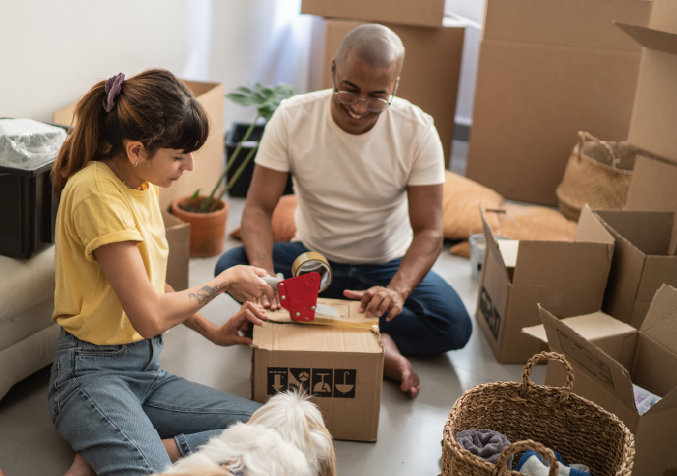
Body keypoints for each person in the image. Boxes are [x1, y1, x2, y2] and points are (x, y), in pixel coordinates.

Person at [215, 24, 473, 398]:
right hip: (312, 262)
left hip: (385, 265)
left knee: (453, 326)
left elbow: (431, 231)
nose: (358, 107)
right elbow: (257, 208)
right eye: (349, 89)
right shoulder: (292, 117)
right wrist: (266, 278)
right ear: (333, 69)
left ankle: (316, 324)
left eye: (376, 97)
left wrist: (397, 291)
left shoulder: (417, 130)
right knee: (230, 267)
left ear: (395, 87)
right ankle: (368, 337)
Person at [49, 69, 273, 476]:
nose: (188, 166)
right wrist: (226, 279)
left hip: (145, 372)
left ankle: (136, 448)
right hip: (91, 377)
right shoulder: (96, 194)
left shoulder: (141, 182)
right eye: (178, 155)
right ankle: (124, 444)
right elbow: (149, 314)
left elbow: (153, 287)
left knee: (271, 430)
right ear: (136, 150)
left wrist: (213, 333)